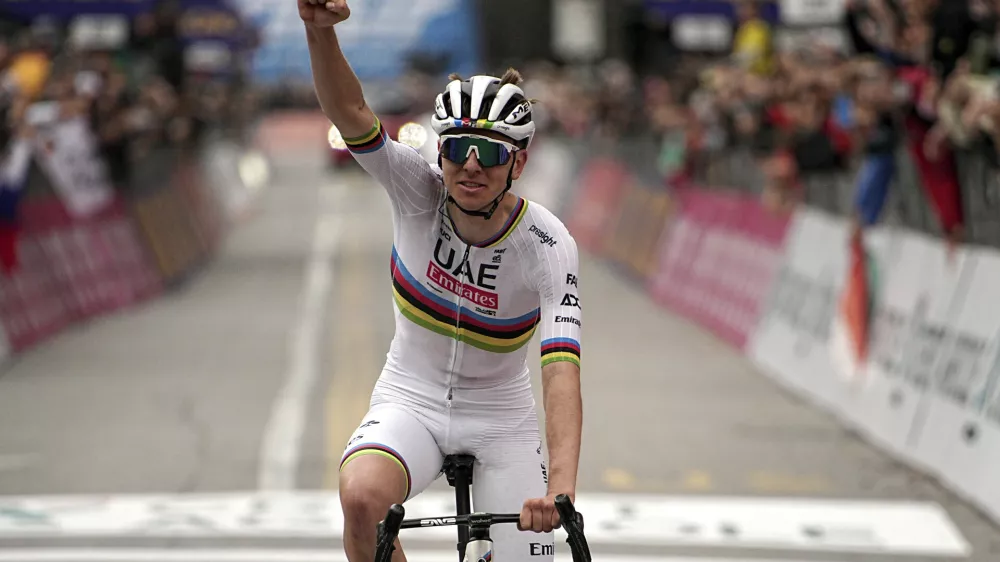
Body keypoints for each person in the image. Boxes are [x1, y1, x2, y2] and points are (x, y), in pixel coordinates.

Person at [299, 1, 584, 561]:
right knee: (360, 501)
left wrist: (562, 489)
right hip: (412, 398)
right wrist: (318, 33)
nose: (470, 166)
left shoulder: (548, 245)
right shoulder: (415, 188)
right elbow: (350, 109)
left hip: (501, 417)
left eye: (489, 153)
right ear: (440, 152)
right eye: (456, 149)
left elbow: (561, 373)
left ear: (517, 165)